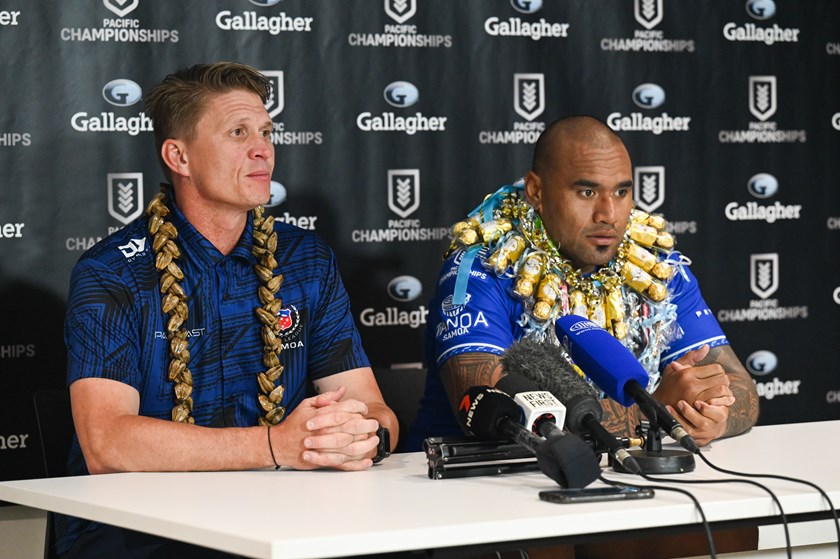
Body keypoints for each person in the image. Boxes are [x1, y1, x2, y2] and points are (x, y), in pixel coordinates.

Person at [59, 62, 397, 558]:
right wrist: (276, 446)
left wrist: (359, 438)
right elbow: (106, 445)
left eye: (266, 131)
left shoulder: (305, 259)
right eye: (238, 132)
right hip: (139, 535)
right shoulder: (112, 272)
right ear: (179, 156)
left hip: (284, 521)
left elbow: (375, 410)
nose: (262, 149)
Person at [408, 115, 759, 452]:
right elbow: (494, 414)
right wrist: (655, 412)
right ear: (536, 191)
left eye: (621, 192)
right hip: (472, 486)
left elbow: (741, 386)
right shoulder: (482, 267)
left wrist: (714, 414)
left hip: (618, 475)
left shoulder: (654, 266)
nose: (608, 214)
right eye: (587, 192)